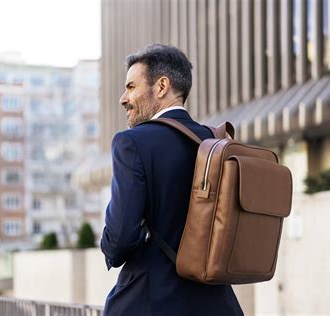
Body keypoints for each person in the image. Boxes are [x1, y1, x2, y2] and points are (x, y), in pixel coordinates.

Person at [100, 44, 243, 315]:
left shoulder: (131, 143)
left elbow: (120, 237)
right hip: (218, 303)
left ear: (162, 86)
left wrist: (108, 246)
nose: (123, 98)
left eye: (131, 87)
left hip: (152, 302)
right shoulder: (216, 142)